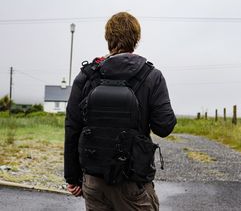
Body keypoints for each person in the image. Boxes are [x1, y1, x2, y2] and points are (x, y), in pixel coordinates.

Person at [64, 12, 176, 210]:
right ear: (136, 39)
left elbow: (73, 127)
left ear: (108, 38)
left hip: (94, 182)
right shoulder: (152, 76)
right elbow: (164, 127)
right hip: (134, 183)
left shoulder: (87, 76)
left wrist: (73, 177)